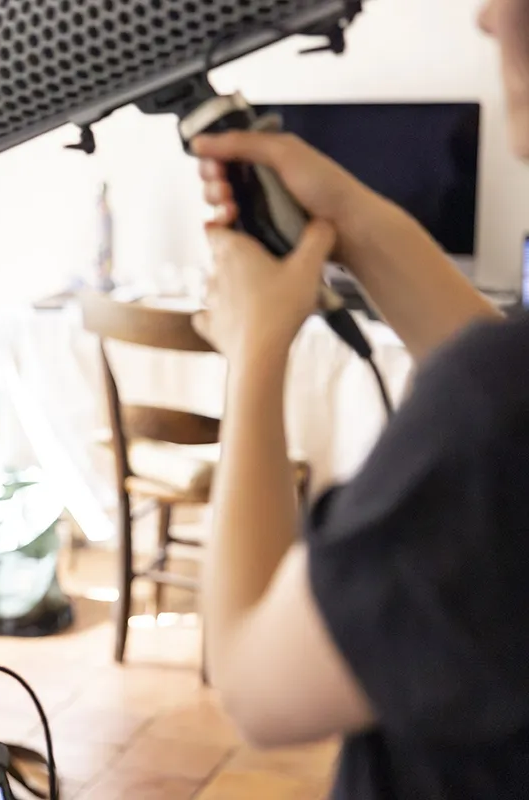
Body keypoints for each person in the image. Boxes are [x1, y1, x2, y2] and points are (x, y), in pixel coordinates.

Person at [189, 0, 529, 797]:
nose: (488, 16)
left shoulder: (494, 414)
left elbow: (250, 680)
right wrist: (352, 218)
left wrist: (255, 348)